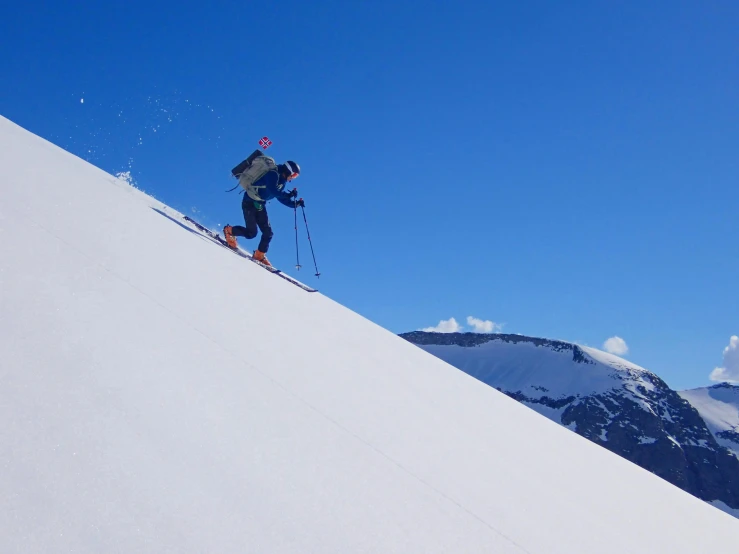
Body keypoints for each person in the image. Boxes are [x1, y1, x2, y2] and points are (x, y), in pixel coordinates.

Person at [223, 160, 304, 267]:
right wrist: (288, 195)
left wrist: (295, 204)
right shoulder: (273, 174)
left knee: (268, 233)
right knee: (251, 233)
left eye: (295, 176)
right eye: (293, 175)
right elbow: (273, 190)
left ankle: (259, 255)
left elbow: (279, 196)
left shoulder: (282, 182)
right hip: (249, 202)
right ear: (288, 171)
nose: (292, 178)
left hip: (260, 205)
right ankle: (229, 231)